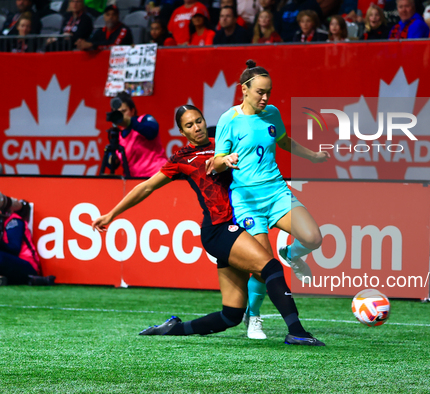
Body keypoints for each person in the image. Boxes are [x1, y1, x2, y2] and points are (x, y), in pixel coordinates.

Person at [91, 105, 325, 346]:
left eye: (199, 121)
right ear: (182, 131)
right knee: (270, 267)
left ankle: (173, 329)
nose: (197, 127)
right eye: (189, 125)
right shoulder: (182, 158)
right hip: (219, 229)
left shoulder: (224, 142)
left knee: (230, 315)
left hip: (245, 219)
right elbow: (146, 187)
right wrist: (111, 214)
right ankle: (295, 331)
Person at [213, 60, 329, 340]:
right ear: (244, 90)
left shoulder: (272, 113)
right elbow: (215, 161)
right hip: (247, 199)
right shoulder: (229, 120)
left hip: (277, 192)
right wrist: (225, 160)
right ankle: (253, 316)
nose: (265, 98)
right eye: (260, 93)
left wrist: (312, 156)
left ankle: (292, 253)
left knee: (314, 238)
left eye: (269, 92)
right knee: (263, 266)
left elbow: (284, 141)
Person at [108, 92, 168, 178]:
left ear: (132, 111)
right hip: (135, 182)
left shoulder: (144, 120)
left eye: (123, 111)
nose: (121, 116)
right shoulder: (118, 136)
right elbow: (111, 164)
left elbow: (151, 132)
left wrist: (130, 122)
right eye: (117, 113)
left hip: (158, 177)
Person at [0, 195, 55, 286]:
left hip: (27, 264)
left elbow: (14, 248)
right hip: (10, 263)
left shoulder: (14, 221)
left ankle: (31, 279)